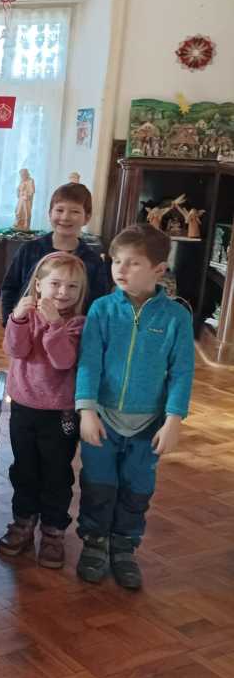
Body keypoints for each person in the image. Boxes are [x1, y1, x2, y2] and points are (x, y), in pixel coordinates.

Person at [74, 224, 194, 590]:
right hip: (103, 419)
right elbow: (89, 362)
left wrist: (174, 420)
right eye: (116, 261)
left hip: (148, 426)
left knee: (137, 488)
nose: (121, 270)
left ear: (159, 269)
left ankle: (124, 546)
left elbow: (182, 371)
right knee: (98, 485)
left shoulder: (176, 317)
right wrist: (86, 410)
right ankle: (94, 542)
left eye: (133, 263)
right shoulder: (102, 309)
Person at [0, 253, 87, 569]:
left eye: (72, 287)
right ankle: (23, 521)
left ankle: (53, 531)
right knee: (24, 468)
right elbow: (15, 349)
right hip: (24, 407)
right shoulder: (26, 316)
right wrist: (17, 319)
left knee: (56, 473)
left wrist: (54, 324)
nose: (63, 292)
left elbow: (63, 360)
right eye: (56, 284)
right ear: (38, 285)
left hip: (60, 412)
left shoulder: (77, 324)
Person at [0, 183, 109, 325]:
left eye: (75, 212)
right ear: (50, 213)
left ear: (87, 218)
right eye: (60, 210)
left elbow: (98, 301)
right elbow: (9, 288)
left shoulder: (93, 260)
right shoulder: (29, 250)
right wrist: (9, 323)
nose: (65, 217)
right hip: (27, 330)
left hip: (71, 333)